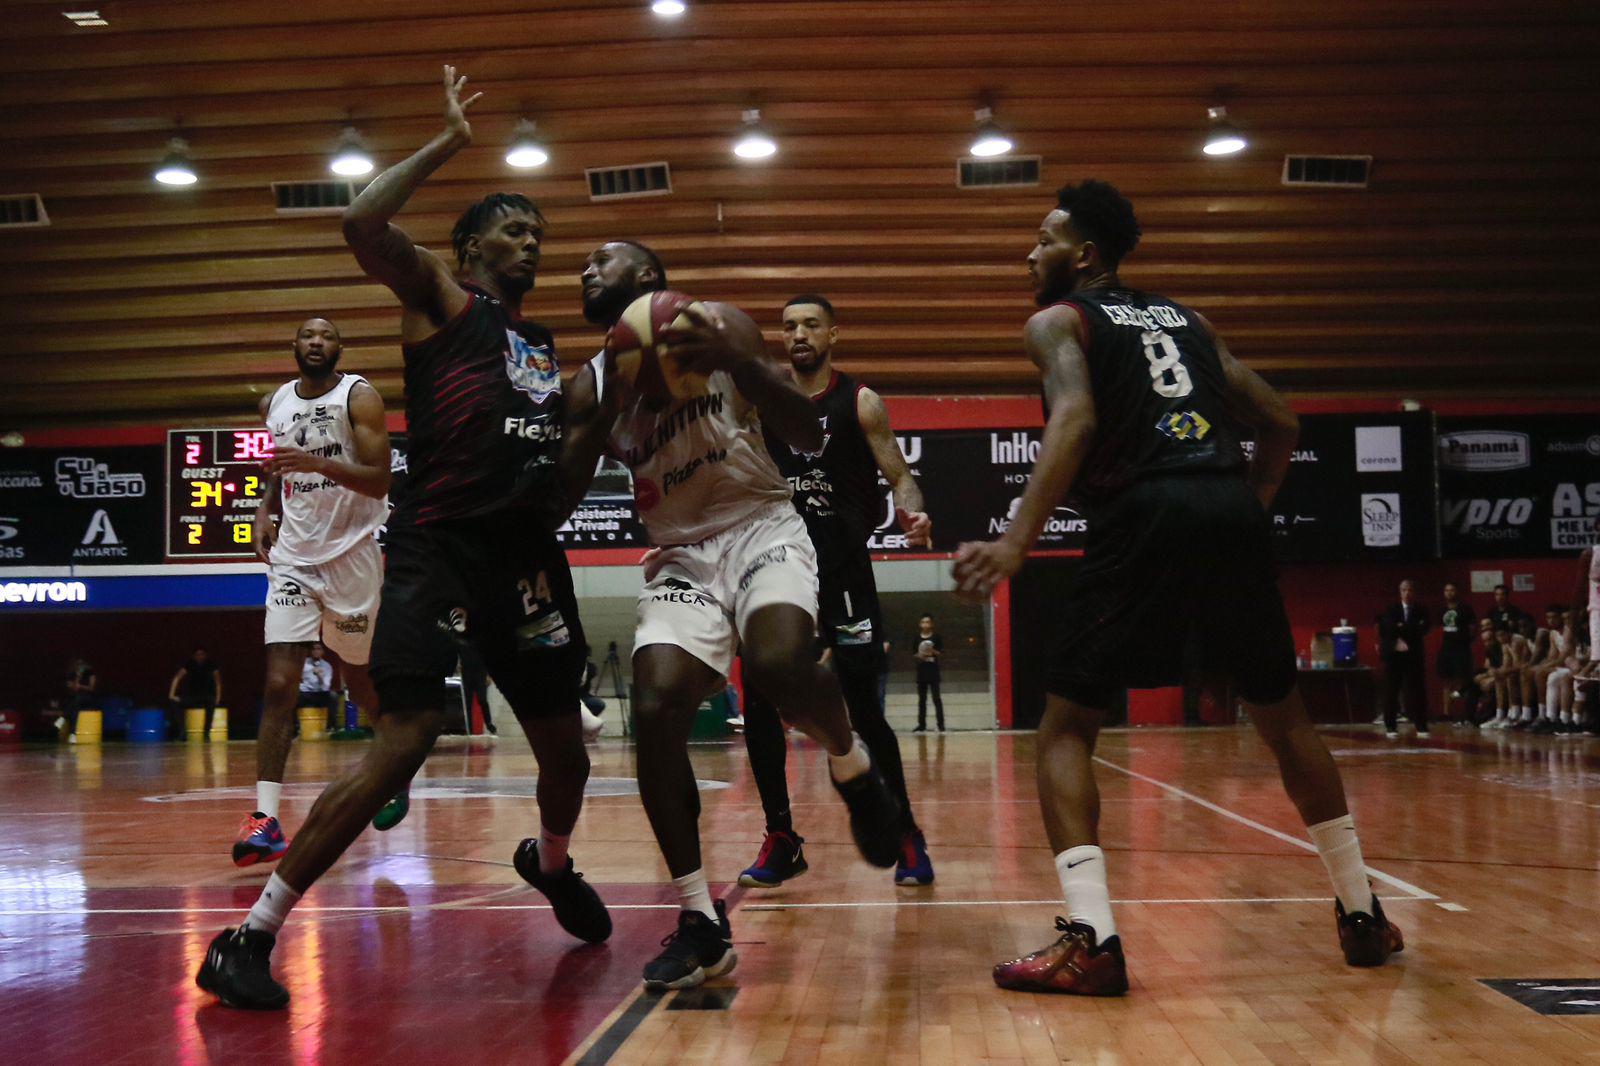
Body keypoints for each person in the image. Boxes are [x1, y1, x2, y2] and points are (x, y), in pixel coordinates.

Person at [198, 67, 610, 1011]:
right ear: (469, 248)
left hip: (525, 561)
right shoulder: (440, 298)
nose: (532, 241)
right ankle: (250, 935)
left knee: (567, 753)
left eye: (538, 233)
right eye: (514, 228)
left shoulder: (542, 347)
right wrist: (449, 141)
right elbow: (361, 223)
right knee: (405, 737)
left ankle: (550, 863)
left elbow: (560, 462)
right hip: (439, 546)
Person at [953, 180, 1402, 996]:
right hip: (1225, 502)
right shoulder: (1188, 321)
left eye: (1044, 240)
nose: (1030, 254)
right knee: (1284, 718)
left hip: (1144, 509)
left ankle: (1091, 940)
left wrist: (1016, 541)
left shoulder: (1058, 322)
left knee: (1065, 729)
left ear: (1085, 255)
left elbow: (1076, 420)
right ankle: (1362, 910)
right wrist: (1248, 503)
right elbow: (1281, 420)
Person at [566, 239, 903, 990]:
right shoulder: (589, 383)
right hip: (680, 552)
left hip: (760, 524)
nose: (586, 269)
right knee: (655, 706)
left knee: (780, 664)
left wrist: (740, 363)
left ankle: (852, 767)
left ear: (648, 276)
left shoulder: (721, 325)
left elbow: (806, 433)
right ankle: (699, 921)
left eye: (603, 260)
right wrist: (602, 418)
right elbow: (558, 498)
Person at [737, 293, 936, 892]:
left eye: (811, 325)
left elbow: (900, 476)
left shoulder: (860, 401)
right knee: (760, 703)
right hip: (778, 567)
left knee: (864, 709)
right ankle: (781, 837)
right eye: (789, 326)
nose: (799, 334)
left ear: (832, 335)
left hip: (844, 569)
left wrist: (914, 512)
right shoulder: (764, 403)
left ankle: (905, 832)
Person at [234, 316, 401, 869]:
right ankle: (265, 820)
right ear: (294, 345)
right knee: (279, 684)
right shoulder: (275, 403)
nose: (316, 342)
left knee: (357, 678)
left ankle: (393, 768)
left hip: (351, 555)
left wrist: (315, 462)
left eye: (327, 336)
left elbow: (379, 479)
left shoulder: (360, 397)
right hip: (294, 559)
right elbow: (278, 466)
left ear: (339, 349)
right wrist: (264, 508)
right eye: (308, 335)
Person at [1378, 580, 1431, 739]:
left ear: (1414, 592)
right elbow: (1388, 628)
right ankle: (1390, 726)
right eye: (1404, 590)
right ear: (1400, 592)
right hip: (1395, 655)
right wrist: (1402, 632)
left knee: (1417, 690)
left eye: (1410, 590)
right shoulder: (1392, 609)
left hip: (1413, 655)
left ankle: (1421, 725)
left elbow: (1424, 628)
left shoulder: (1421, 610)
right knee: (1391, 691)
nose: (1407, 593)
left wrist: (1402, 627)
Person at [1436, 581, 1476, 722]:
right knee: (1446, 681)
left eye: (1452, 590)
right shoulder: (1442, 610)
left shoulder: (1465, 609)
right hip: (1446, 649)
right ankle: (1447, 713)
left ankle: (1464, 713)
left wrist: (1465, 643)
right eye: (1446, 590)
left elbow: (1472, 628)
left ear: (1457, 592)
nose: (1449, 593)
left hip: (1461, 650)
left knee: (1461, 681)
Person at [169, 648, 222, 734]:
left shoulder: (211, 664)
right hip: (192, 697)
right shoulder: (190, 664)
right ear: (194, 656)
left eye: (202, 654)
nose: (200, 656)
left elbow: (217, 682)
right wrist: (171, 694)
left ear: (205, 655)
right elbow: (177, 677)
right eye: (197, 654)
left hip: (207, 697)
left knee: (211, 703)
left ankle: (206, 733)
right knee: (174, 703)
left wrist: (218, 698)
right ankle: (182, 731)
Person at [913, 613, 945, 733]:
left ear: (931, 624)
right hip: (921, 671)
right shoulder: (916, 638)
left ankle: (941, 724)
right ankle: (921, 724)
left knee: (936, 699)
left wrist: (932, 651)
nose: (925, 624)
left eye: (927, 622)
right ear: (920, 624)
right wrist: (920, 655)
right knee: (922, 700)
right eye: (923, 622)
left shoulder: (936, 637)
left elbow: (941, 653)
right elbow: (913, 653)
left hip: (933, 671)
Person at [55, 657, 97, 742]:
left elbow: (92, 688)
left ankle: (63, 718)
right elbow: (75, 689)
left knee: (76, 701)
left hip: (89, 698)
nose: (79, 667)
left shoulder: (90, 673)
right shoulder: (76, 674)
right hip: (78, 699)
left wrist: (80, 686)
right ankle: (73, 734)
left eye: (81, 665)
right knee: (75, 710)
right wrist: (77, 678)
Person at [298, 643, 336, 711]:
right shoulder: (304, 663)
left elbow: (325, 687)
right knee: (295, 695)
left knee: (333, 696)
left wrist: (319, 676)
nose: (316, 651)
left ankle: (331, 718)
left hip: (319, 693)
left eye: (318, 649)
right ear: (310, 651)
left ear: (322, 652)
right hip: (305, 692)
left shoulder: (327, 666)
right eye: (313, 649)